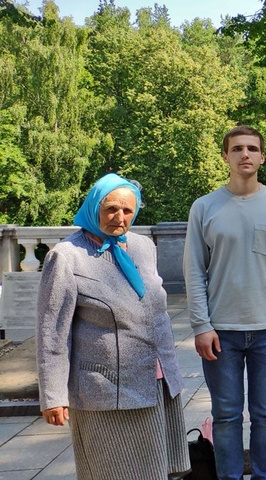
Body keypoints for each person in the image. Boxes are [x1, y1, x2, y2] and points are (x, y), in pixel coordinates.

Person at [36, 173, 190, 479]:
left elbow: (155, 309)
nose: (120, 217)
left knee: (155, 471)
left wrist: (171, 370)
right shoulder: (66, 257)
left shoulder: (143, 247)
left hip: (154, 379)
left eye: (128, 211)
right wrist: (53, 396)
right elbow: (52, 332)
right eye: (111, 209)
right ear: (95, 208)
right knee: (113, 470)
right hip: (104, 390)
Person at [184, 125, 266, 480]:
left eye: (252, 148)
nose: (245, 154)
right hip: (222, 332)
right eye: (237, 149)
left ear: (262, 157)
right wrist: (201, 325)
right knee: (226, 416)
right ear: (226, 156)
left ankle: (264, 476)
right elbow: (194, 271)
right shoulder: (205, 207)